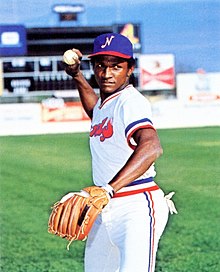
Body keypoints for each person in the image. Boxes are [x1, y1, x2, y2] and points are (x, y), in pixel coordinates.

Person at [65, 33, 177, 272]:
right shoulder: (107, 103)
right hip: (104, 207)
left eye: (116, 66)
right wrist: (76, 75)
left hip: (136, 205)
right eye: (101, 66)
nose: (107, 74)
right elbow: (95, 110)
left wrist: (109, 188)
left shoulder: (130, 102)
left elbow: (152, 146)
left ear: (130, 69)